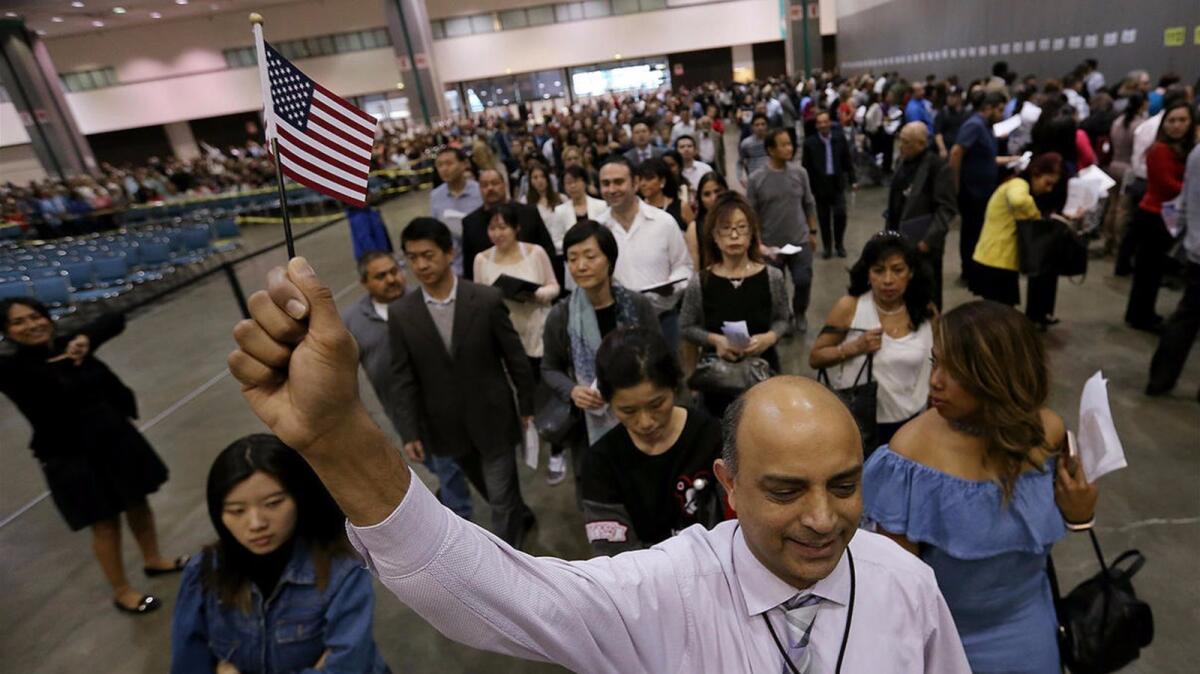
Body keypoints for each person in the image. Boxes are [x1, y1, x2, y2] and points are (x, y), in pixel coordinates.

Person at [228, 269, 973, 672]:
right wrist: (337, 438)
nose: (823, 517)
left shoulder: (906, 585)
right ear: (730, 488)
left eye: (843, 485)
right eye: (786, 489)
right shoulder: (665, 590)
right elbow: (485, 590)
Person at [863, 300, 1098, 674]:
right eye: (934, 362)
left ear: (998, 374)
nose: (935, 381)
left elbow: (1052, 527)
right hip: (942, 639)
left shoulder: (1046, 433)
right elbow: (898, 586)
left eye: (954, 370)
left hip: (1030, 632)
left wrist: (1081, 514)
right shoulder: (910, 454)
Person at [0, 300, 183, 614]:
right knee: (104, 523)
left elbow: (114, 318)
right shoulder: (12, 369)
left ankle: (154, 559)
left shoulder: (71, 344)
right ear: (6, 332)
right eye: (19, 322)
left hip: (114, 439)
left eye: (36, 316)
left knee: (138, 502)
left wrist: (85, 341)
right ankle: (122, 590)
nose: (31, 325)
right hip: (69, 456)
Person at [170, 434, 389, 674]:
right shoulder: (203, 572)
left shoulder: (342, 569)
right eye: (237, 511)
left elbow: (348, 665)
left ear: (300, 497)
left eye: (273, 503)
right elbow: (188, 662)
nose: (256, 523)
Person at [388, 218, 537, 547]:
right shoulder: (401, 314)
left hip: (494, 417)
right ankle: (519, 513)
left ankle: (508, 561)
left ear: (449, 252)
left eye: (428, 255)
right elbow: (403, 377)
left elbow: (514, 357)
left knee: (499, 499)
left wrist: (527, 405)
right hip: (446, 428)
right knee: (492, 490)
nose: (421, 265)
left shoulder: (484, 300)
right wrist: (410, 431)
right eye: (412, 258)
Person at [581, 327, 726, 555]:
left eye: (657, 404)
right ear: (608, 401)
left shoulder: (713, 437)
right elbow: (616, 559)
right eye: (628, 410)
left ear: (675, 387)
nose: (646, 422)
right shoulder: (600, 463)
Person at [541, 221, 660, 486]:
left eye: (590, 256)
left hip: (642, 417)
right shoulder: (561, 316)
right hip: (589, 425)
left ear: (610, 260)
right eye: (572, 259)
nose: (581, 266)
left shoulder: (637, 306)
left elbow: (660, 358)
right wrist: (573, 390)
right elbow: (549, 367)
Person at [809, 232, 935, 448]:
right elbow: (816, 357)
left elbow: (937, 364)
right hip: (862, 422)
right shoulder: (850, 307)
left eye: (897, 270)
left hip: (911, 420)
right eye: (878, 271)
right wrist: (854, 347)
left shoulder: (926, 313)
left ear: (911, 272)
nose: (888, 280)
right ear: (868, 274)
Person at [681, 193, 790, 417]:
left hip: (762, 371)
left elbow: (783, 318)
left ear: (751, 235)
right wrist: (715, 340)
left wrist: (769, 337)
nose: (734, 235)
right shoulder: (701, 282)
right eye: (726, 228)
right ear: (714, 236)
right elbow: (686, 326)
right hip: (718, 378)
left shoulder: (772, 276)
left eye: (741, 228)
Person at [597, 156, 693, 349]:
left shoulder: (663, 222)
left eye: (619, 182)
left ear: (635, 183)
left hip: (663, 320)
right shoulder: (598, 228)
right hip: (617, 325)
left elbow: (684, 267)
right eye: (605, 184)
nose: (612, 189)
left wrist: (669, 289)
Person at [1125, 102, 1195, 332]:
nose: (1176, 126)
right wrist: (1192, 188)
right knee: (1148, 271)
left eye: (1182, 120)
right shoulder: (1160, 149)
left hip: (1166, 214)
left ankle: (1141, 313)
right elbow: (1166, 185)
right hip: (1155, 215)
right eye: (1172, 120)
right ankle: (1141, 316)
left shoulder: (1181, 149)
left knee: (1151, 271)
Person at [972, 152, 1065, 317]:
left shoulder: (1013, 183)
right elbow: (1019, 201)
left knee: (996, 316)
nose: (1048, 189)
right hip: (997, 261)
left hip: (993, 258)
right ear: (1036, 173)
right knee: (1000, 318)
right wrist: (1035, 216)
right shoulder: (1018, 184)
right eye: (1047, 183)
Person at [746, 127, 818, 333]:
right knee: (776, 287)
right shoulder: (756, 179)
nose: (790, 148)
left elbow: (809, 204)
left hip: (799, 238)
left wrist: (812, 232)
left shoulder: (800, 173)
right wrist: (758, 243)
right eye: (784, 144)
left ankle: (800, 312)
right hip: (771, 244)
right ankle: (783, 317)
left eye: (790, 143)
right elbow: (752, 214)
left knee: (803, 280)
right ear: (771, 149)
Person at [473, 202, 561, 363]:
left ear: (516, 228)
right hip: (504, 331)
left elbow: (554, 285)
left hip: (537, 327)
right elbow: (479, 300)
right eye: (492, 229)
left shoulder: (536, 252)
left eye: (502, 227)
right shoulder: (481, 260)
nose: (497, 234)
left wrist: (540, 293)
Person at [887, 122, 959, 309]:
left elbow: (946, 208)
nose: (901, 147)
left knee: (927, 293)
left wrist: (928, 240)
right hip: (899, 238)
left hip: (924, 244)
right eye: (900, 141)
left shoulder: (937, 167)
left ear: (921, 144)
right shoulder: (902, 161)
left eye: (906, 143)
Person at [1148, 142, 1200, 397]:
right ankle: (1160, 379)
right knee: (1186, 317)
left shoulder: (1196, 153)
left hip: (1195, 248)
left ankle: (1160, 379)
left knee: (1186, 316)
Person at [950, 91, 1007, 292]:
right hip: (972, 190)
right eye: (999, 110)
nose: (1002, 115)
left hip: (983, 190)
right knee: (971, 232)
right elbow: (956, 152)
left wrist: (1011, 160)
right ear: (988, 108)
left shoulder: (986, 127)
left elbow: (986, 157)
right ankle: (969, 271)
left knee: (978, 231)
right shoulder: (974, 125)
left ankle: (976, 269)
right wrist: (955, 185)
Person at [460, 168, 557, 283]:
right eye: (484, 185)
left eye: (495, 183)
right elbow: (469, 268)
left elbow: (549, 251)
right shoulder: (470, 222)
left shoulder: (528, 213)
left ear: (504, 185)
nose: (490, 188)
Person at [802, 110, 857, 258]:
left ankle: (839, 244)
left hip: (837, 183)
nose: (823, 125)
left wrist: (853, 179)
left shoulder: (839, 139)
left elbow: (847, 160)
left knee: (840, 214)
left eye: (825, 122)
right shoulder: (810, 143)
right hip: (820, 186)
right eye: (820, 123)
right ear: (816, 125)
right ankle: (827, 247)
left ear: (830, 123)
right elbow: (805, 167)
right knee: (824, 219)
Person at [429, 147, 483, 276]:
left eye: (449, 163)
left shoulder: (480, 191)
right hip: (455, 266)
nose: (444, 169)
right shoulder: (436, 196)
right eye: (439, 165)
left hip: (480, 259)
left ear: (464, 165)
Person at [550, 165, 607, 277]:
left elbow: (607, 235)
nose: (572, 186)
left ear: (584, 182)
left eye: (576, 181)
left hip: (597, 259)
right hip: (574, 264)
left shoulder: (601, 206)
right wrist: (577, 247)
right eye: (568, 183)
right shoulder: (560, 211)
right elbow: (556, 240)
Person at [686, 171, 730, 270]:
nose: (714, 198)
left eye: (718, 191)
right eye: (707, 194)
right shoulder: (694, 228)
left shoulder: (742, 219)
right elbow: (695, 269)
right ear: (700, 199)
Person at [637, 157, 694, 231]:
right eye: (640, 179)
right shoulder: (638, 209)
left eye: (649, 178)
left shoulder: (681, 206)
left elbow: (694, 234)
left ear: (662, 181)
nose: (643, 183)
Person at [737, 112, 770, 185]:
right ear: (752, 127)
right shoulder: (746, 144)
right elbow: (740, 162)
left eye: (763, 124)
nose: (760, 127)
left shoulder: (773, 141)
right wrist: (740, 177)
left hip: (771, 179)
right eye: (757, 125)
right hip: (754, 181)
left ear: (767, 126)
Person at [933, 88, 966, 158]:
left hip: (961, 149)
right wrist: (942, 149)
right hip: (948, 149)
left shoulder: (966, 113)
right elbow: (937, 133)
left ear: (960, 97)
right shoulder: (943, 113)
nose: (949, 98)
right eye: (948, 96)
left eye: (953, 96)